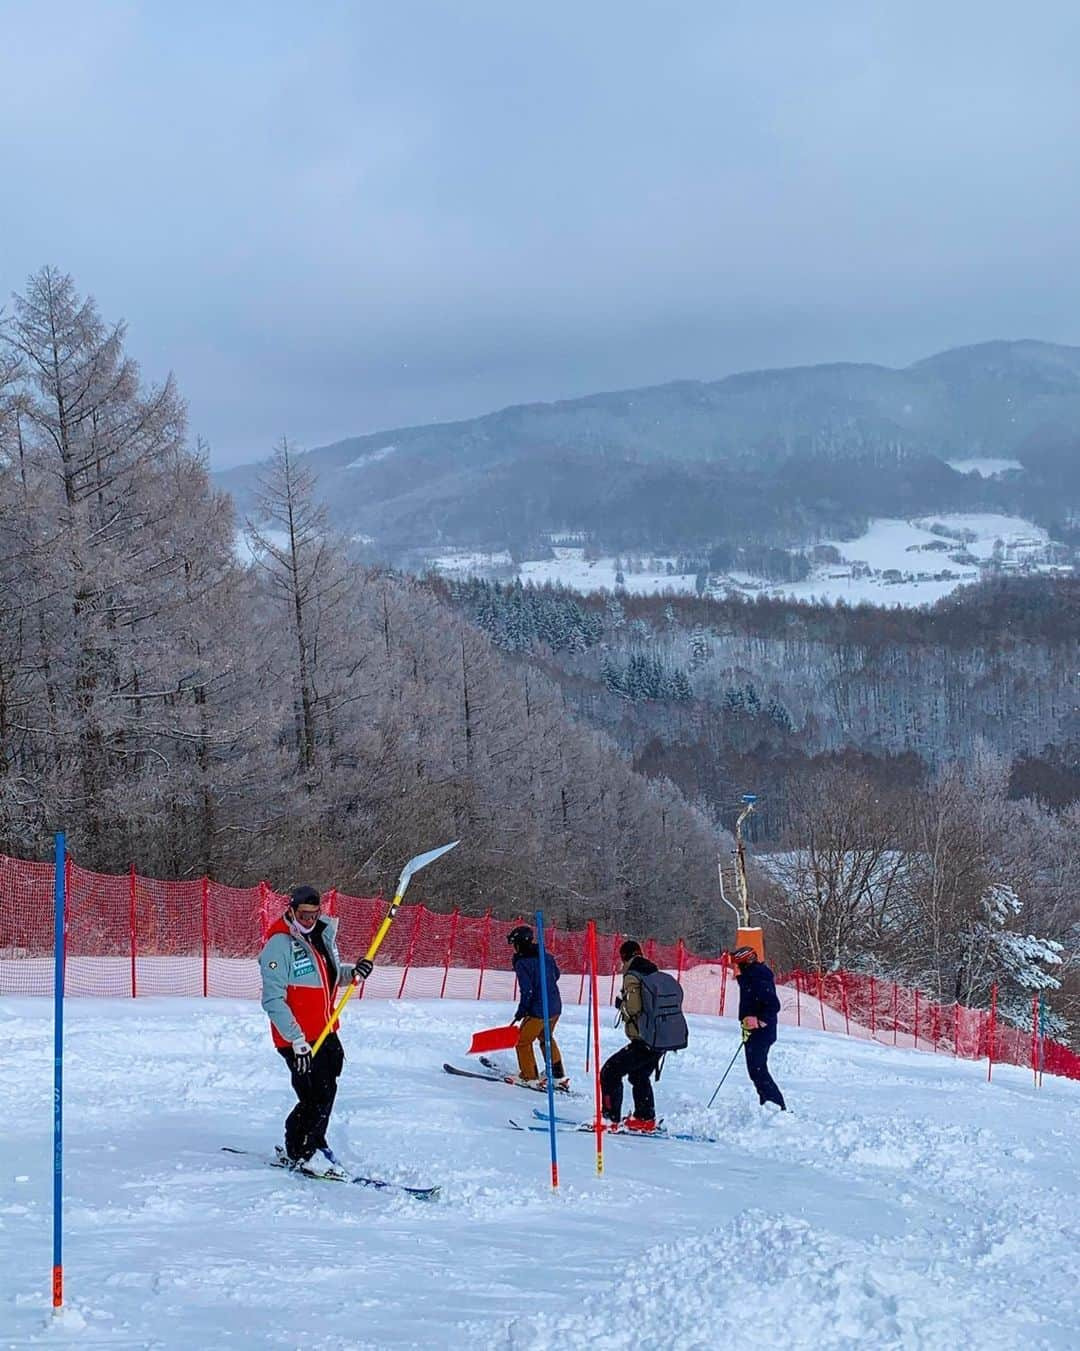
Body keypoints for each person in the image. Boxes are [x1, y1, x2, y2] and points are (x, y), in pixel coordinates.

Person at [258, 884, 374, 1176]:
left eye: (314, 914)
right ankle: (300, 1150)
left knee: (326, 1090)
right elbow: (273, 1000)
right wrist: (295, 1038)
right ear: (291, 909)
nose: (309, 920)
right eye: (303, 914)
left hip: (326, 1031)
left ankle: (313, 1139)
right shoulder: (279, 944)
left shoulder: (320, 937)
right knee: (313, 1097)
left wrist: (353, 973)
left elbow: (329, 979)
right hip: (298, 1039)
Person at [599, 939, 663, 1132]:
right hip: (661, 1037)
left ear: (624, 957)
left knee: (609, 1072)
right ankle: (645, 1118)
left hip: (644, 1039)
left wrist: (622, 1006)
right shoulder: (655, 973)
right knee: (639, 1075)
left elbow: (633, 1008)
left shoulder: (632, 975)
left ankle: (609, 1120)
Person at [507, 924, 568, 1090]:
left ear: (518, 944)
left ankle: (529, 1077)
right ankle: (557, 1075)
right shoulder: (546, 957)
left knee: (522, 1042)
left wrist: (522, 1010)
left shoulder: (522, 963)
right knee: (546, 1038)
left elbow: (527, 990)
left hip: (538, 1010)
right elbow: (556, 975)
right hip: (555, 1007)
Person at [730, 944, 786, 1111]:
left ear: (746, 962)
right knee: (756, 1070)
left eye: (738, 963)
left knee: (758, 1070)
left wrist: (760, 1020)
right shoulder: (751, 976)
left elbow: (773, 1005)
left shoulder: (758, 977)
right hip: (754, 1031)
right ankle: (769, 1105)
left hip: (761, 1032)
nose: (736, 967)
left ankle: (775, 1106)